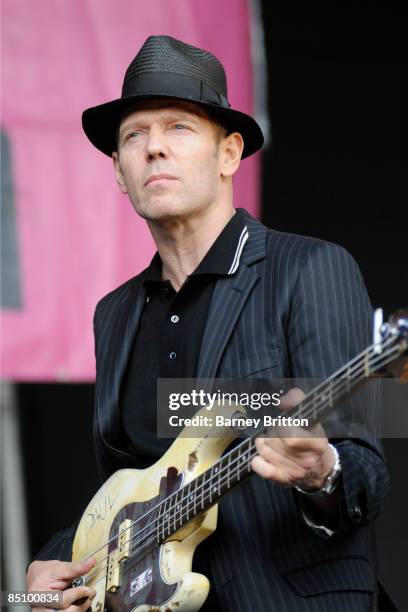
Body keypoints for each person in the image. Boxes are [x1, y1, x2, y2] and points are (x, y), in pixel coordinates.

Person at [27, 35, 389, 611]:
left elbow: (366, 470)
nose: (153, 150)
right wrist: (54, 561)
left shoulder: (311, 269)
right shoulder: (115, 314)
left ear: (229, 155)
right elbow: (129, 491)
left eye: (179, 128)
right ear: (120, 173)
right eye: (134, 136)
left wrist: (323, 472)